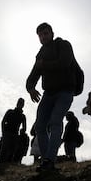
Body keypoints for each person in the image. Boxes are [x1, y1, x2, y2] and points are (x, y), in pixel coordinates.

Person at [26, 22, 77, 171]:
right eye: (40, 35)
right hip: (48, 94)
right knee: (40, 126)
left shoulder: (64, 45)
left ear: (52, 33)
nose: (43, 37)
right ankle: (46, 160)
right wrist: (30, 89)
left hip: (65, 92)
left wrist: (44, 65)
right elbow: (32, 76)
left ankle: (49, 160)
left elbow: (65, 63)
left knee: (55, 121)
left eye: (46, 33)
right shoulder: (40, 54)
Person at [0, 98, 27, 167]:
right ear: (17, 103)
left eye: (22, 103)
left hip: (15, 135)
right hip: (7, 133)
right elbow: (3, 121)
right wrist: (3, 132)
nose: (20, 105)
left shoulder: (22, 116)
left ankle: (8, 166)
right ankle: (0, 166)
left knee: (12, 151)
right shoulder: (10, 112)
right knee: (4, 150)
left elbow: (24, 127)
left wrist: (21, 134)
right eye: (20, 103)